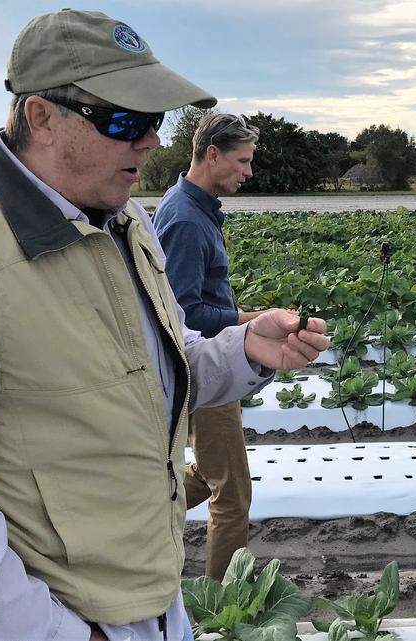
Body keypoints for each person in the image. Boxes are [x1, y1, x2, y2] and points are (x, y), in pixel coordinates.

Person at [0, 9, 329, 641]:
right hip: (65, 622)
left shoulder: (124, 220)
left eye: (155, 121)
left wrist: (241, 350)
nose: (151, 141)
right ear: (40, 116)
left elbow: (157, 369)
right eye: (123, 120)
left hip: (159, 601)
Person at [152, 113, 265, 581]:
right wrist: (248, 321)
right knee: (233, 495)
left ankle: (146, 513)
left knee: (209, 473)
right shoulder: (184, 220)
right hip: (203, 368)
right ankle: (226, 603)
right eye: (242, 160)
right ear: (212, 154)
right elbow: (181, 312)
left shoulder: (194, 208)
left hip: (212, 364)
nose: (248, 171)